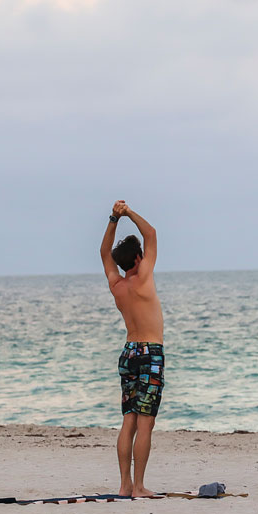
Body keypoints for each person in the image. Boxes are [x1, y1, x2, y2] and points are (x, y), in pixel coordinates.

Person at [100, 200, 164, 498]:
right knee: (145, 422)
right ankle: (138, 486)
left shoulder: (118, 286)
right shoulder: (143, 279)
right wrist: (128, 212)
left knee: (129, 420)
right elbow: (150, 233)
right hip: (150, 354)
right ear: (138, 258)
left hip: (128, 354)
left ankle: (125, 485)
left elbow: (104, 253)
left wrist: (113, 218)